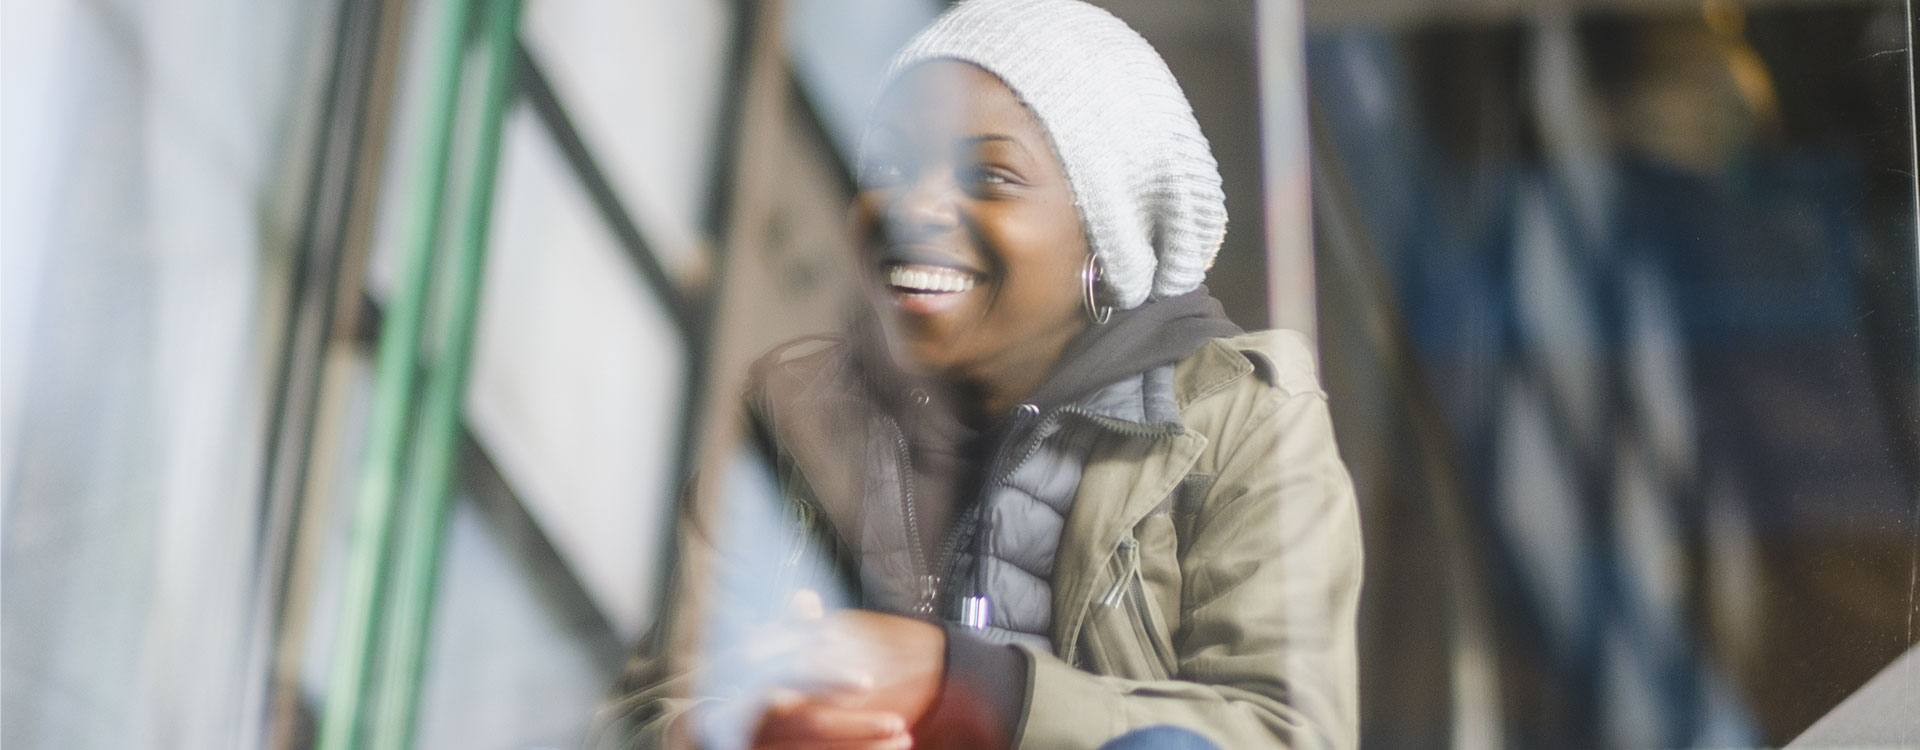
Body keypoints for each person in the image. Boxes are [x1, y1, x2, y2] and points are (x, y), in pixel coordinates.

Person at [588, 1, 1361, 748]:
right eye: (889, 164)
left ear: (1107, 236)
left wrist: (971, 686)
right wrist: (759, 724)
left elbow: (1285, 734)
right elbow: (646, 709)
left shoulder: (1239, 419)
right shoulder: (794, 411)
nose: (912, 206)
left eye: (991, 176)